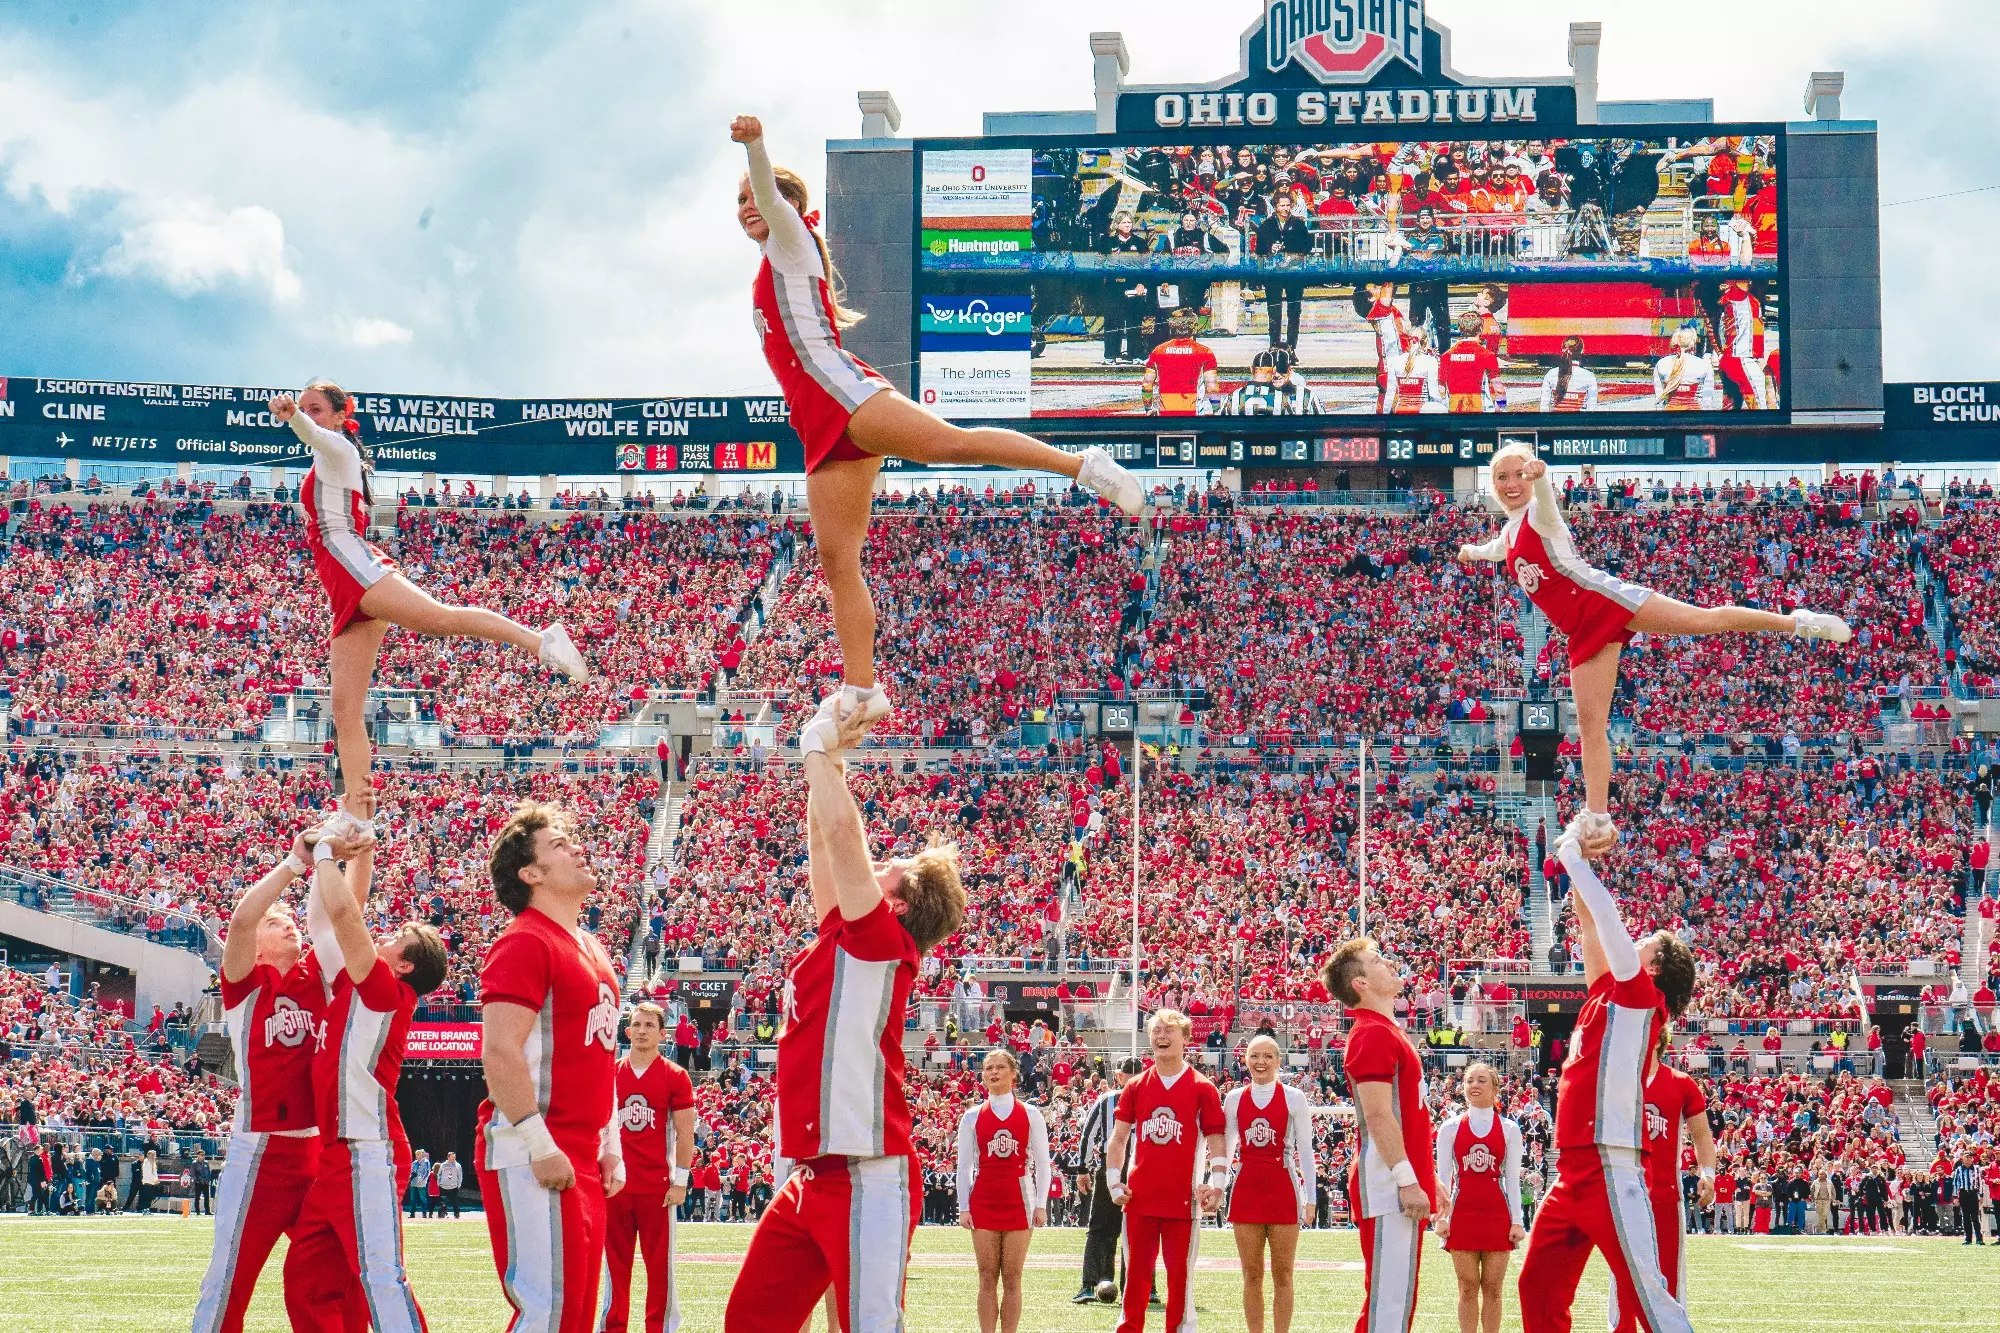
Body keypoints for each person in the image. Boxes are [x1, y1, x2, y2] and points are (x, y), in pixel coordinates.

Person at [730, 115, 1141, 725]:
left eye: (751, 197)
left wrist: (757, 145)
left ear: (787, 202)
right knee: (836, 557)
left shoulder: (789, 237)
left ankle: (1082, 466)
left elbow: (768, 196)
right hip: (818, 423)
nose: (744, 208)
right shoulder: (773, 261)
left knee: (952, 445)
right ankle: (863, 690)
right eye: (735, 202)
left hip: (847, 397)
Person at [1458, 444, 1850, 845]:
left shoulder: (1540, 514)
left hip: (1602, 600)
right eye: (1502, 477)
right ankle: (1597, 818)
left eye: (1518, 474)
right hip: (1580, 630)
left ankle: (1798, 622)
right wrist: (1471, 551)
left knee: (1703, 620)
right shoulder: (1508, 533)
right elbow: (1494, 550)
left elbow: (1545, 500)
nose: (1511, 483)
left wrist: (1541, 476)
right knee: (1591, 727)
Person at [722, 702, 967, 1332]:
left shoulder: (883, 938)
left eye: (896, 865)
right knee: (751, 1320)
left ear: (900, 901)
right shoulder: (851, 934)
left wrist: (814, 748)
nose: (881, 861)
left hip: (867, 1173)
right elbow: (822, 843)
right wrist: (829, 760)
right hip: (814, 1173)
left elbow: (841, 834)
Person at [268, 386, 585, 833]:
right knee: (345, 709)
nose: (307, 415)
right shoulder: (329, 455)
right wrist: (301, 420)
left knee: (439, 620)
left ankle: (540, 641)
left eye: (316, 409)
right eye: (303, 408)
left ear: (340, 417)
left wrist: (292, 419)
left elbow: (316, 438)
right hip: (341, 575)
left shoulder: (334, 447)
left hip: (352, 564)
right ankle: (357, 816)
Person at [1515, 835, 1697, 1333]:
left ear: (1654, 967)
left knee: (1649, 1298)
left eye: (1648, 943)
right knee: (1538, 1286)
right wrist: (1581, 867)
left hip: (1611, 1162)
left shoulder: (1643, 996)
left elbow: (1608, 918)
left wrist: (1573, 855)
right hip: (1572, 1166)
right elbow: (1591, 922)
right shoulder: (1609, 993)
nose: (1638, 940)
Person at [281, 812, 449, 1333]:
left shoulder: (384, 989)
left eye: (398, 938)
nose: (386, 937)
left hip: (367, 1150)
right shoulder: (361, 984)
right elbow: (326, 923)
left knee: (381, 1278)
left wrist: (329, 851)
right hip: (339, 1152)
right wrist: (348, 847)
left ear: (403, 966)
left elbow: (343, 916)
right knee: (307, 1279)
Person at [192, 826, 352, 1333]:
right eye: (276, 921)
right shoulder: (246, 986)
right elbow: (241, 922)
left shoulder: (317, 976)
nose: (287, 925)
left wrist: (349, 852)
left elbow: (346, 916)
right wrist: (294, 864)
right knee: (229, 1282)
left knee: (333, 1274)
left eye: (288, 920)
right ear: (257, 948)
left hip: (318, 1151)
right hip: (261, 1153)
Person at [476, 802, 626, 1333]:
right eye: (559, 845)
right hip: (536, 1143)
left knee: (578, 1315)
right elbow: (500, 1052)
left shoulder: (591, 945)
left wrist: (610, 1144)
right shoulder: (524, 940)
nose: (578, 848)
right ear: (530, 874)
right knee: (548, 1312)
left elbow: (601, 1056)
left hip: (582, 1148)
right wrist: (540, 1144)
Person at [1323, 939, 1435, 1333]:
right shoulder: (1371, 1033)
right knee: (1388, 1308)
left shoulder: (1386, 1030)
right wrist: (1407, 1180)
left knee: (1395, 1303)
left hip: (1398, 1182)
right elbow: (1377, 1115)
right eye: (1376, 961)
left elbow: (1408, 1117)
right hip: (1389, 1186)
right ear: (1360, 984)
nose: (1388, 963)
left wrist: (1428, 1176)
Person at [1103, 1009, 1226, 1333]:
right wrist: (1114, 1182)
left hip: (1183, 1203)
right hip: (1140, 1200)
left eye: (1170, 1030)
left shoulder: (1202, 1088)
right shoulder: (1136, 1086)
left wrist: (1216, 1184)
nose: (1161, 1036)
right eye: (1156, 1030)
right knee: (1136, 1283)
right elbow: (1118, 1140)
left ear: (1185, 1039)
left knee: (1180, 1280)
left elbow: (1216, 1139)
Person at [603, 1002, 698, 1333]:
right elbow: (598, 1128)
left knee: (661, 1270)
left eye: (649, 1025)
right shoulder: (610, 1073)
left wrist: (680, 1181)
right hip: (616, 1187)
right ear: (627, 1031)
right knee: (614, 1267)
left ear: (662, 1033)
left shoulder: (675, 1075)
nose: (642, 1030)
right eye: (636, 1025)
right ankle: (612, 1327)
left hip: (658, 1188)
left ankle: (660, 1328)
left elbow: (686, 1133)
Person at [1609, 1041, 1715, 1333]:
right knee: (1623, 1279)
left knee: (1668, 1281)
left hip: (1666, 1195)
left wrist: (1708, 1174)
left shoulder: (1681, 1083)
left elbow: (1702, 1135)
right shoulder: (1616, 1080)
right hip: (1623, 1193)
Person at [1223, 1034, 1316, 1333]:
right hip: (1247, 1190)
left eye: (1267, 1056)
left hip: (1283, 1190)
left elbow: (1306, 1150)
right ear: (1245, 1059)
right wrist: (1216, 1186)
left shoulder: (1294, 1098)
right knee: (1251, 1274)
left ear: (1278, 1061)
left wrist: (1310, 1198)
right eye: (1254, 1056)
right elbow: (1226, 1149)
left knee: (1284, 1274)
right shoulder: (1234, 1098)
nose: (1260, 1062)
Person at [955, 1048, 1053, 1333]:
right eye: (988, 1068)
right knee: (986, 1276)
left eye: (1000, 1067)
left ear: (1013, 1073)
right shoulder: (971, 1117)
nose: (994, 1073)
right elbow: (963, 1167)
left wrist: (1041, 1204)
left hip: (1020, 1199)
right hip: (983, 1200)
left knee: (1013, 1276)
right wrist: (964, 1207)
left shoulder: (1031, 1113)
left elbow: (1043, 1164)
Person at [1432, 1062, 1524, 1333]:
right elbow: (1444, 1178)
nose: (1474, 1085)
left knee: (1494, 1288)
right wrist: (1442, 1217)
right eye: (1470, 1080)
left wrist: (1517, 1221)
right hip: (1462, 1212)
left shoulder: (1509, 1129)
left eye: (1482, 1080)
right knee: (1467, 1287)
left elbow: (1512, 1178)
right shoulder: (1449, 1127)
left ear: (1496, 1089)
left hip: (1497, 1212)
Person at [1077, 1056, 1145, 1304]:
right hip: (1137, 1166)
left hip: (1120, 1165)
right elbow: (1088, 1134)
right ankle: (1140, 1287)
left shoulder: (1107, 1100)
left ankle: (1092, 1283)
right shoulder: (1142, 1097)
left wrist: (1082, 1168)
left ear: (1118, 1076)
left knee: (1107, 1229)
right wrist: (1082, 1169)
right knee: (1135, 1230)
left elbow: (1088, 1135)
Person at [1536, 337, 1599, 412]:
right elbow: (1592, 408)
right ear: (1582, 351)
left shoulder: (1550, 374)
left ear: (1563, 350)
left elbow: (1544, 407)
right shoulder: (1589, 376)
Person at [434, 1152, 463, 1219]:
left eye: (454, 1157)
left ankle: (456, 1215)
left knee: (455, 1202)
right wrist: (439, 1183)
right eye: (452, 1157)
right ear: (448, 1157)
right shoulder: (443, 1165)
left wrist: (458, 1185)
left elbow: (460, 1176)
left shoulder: (458, 1165)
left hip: (453, 1187)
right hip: (443, 1187)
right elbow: (439, 1174)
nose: (453, 1158)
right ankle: (441, 1215)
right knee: (443, 1202)